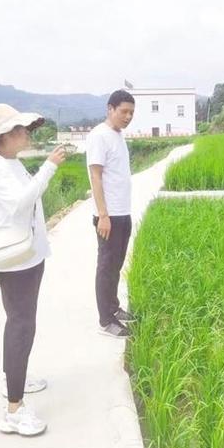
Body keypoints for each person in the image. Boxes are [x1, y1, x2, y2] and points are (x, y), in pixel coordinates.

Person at [0, 103, 67, 436]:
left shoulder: (8, 162)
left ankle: (14, 377)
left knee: (22, 324)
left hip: (29, 256)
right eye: (19, 129)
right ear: (2, 135)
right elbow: (20, 203)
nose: (26, 133)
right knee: (21, 326)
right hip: (17, 262)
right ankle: (13, 411)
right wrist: (48, 167)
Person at [86, 90, 136, 338]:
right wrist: (103, 215)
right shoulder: (99, 136)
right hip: (108, 215)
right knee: (106, 266)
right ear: (110, 109)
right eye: (123, 111)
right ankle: (106, 320)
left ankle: (114, 308)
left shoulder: (118, 136)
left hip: (122, 212)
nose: (128, 117)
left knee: (115, 264)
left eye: (131, 113)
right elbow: (95, 175)